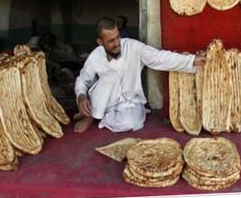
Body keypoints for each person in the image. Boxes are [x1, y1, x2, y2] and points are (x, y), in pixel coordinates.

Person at [73, 17, 206, 133]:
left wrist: (191, 60)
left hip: (128, 102)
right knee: (110, 77)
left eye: (118, 37)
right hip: (106, 100)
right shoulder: (96, 55)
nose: (118, 43)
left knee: (131, 123)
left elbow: (159, 58)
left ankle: (98, 114)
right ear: (100, 42)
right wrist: (81, 96)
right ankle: (90, 116)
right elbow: (83, 80)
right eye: (111, 41)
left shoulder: (132, 47)